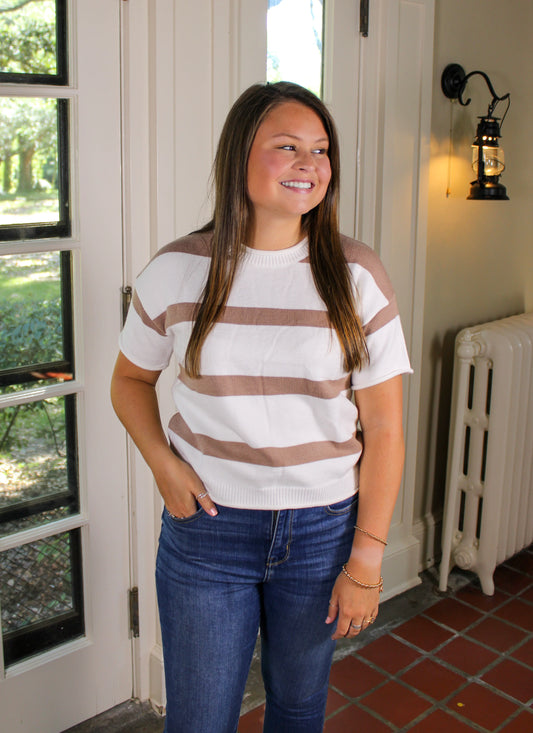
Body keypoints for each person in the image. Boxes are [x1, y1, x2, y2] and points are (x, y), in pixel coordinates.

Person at [111, 81, 411, 733]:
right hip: (206, 532)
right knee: (198, 719)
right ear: (239, 156)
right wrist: (163, 463)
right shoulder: (177, 271)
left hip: (322, 532)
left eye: (321, 149)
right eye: (286, 146)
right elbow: (129, 380)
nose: (309, 163)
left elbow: (385, 428)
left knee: (298, 708)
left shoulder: (356, 275)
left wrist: (365, 559)